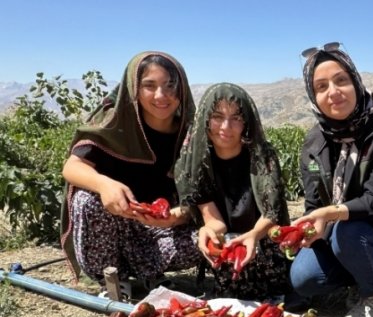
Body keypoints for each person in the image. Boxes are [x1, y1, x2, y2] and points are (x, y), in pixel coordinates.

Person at [289, 43, 373, 317]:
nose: (333, 92)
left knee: (348, 232)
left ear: (356, 82)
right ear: (313, 96)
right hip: (340, 234)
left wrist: (330, 215)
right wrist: (310, 228)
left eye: (341, 80)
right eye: (321, 87)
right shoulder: (314, 142)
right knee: (303, 278)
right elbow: (314, 204)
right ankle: (358, 277)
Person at [60, 51, 200, 297]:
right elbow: (72, 167)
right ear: (134, 89)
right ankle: (113, 279)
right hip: (115, 228)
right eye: (149, 86)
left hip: (161, 234)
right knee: (86, 200)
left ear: (182, 89)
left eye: (170, 85)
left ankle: (151, 275)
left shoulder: (191, 135)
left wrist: (180, 215)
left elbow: (204, 191)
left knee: (209, 238)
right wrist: (104, 185)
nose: (161, 96)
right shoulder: (115, 125)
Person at [174, 83, 290, 300]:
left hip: (262, 239)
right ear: (205, 120)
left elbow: (270, 215)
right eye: (217, 116)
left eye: (236, 118)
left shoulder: (261, 157)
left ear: (246, 123)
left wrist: (253, 236)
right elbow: (214, 221)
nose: (226, 126)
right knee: (209, 246)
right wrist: (207, 233)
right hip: (228, 240)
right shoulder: (196, 164)